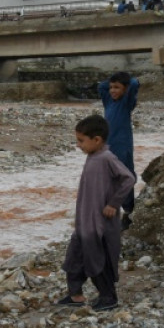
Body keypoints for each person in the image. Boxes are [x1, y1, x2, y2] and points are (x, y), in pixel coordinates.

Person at [57, 115, 136, 312]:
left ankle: (108, 297)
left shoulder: (107, 158)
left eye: (81, 140)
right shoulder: (93, 157)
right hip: (84, 220)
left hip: (99, 223)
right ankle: (75, 294)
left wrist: (113, 203)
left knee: (97, 259)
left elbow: (129, 179)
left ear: (97, 140)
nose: (78, 145)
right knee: (74, 257)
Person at [97, 71, 139, 229]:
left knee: (125, 178)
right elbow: (101, 87)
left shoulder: (126, 102)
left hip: (123, 147)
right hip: (107, 148)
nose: (113, 90)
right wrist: (112, 81)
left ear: (125, 89)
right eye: (111, 87)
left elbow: (134, 84)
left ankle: (128, 212)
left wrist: (126, 81)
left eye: (117, 87)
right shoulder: (108, 101)